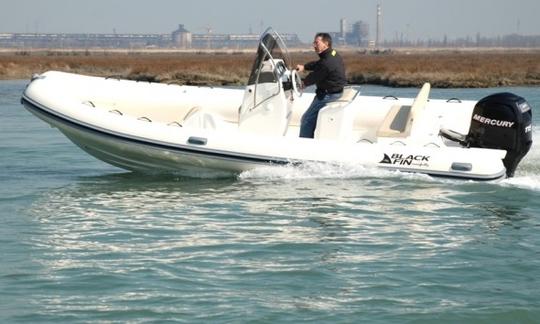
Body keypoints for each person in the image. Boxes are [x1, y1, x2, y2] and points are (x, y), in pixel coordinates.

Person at [296, 32, 347, 138]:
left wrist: (301, 84)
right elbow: (318, 64)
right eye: (314, 43)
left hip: (328, 96)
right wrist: (304, 67)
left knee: (306, 119)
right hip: (334, 92)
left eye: (316, 43)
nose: (314, 45)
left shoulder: (327, 62)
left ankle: (304, 147)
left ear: (326, 43)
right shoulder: (332, 53)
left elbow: (314, 77)